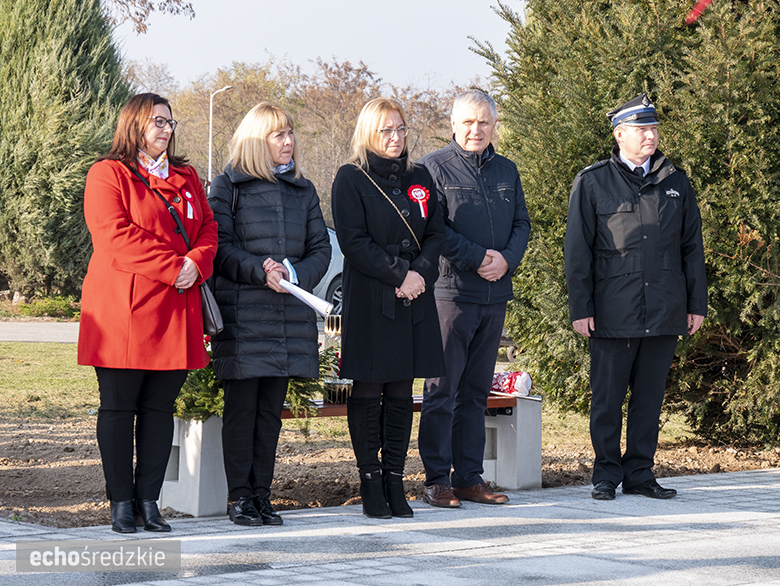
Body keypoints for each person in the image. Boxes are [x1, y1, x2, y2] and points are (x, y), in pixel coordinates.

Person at [78, 93, 219, 533]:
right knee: (119, 408)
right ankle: (121, 503)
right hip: (125, 310)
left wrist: (198, 260)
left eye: (170, 122)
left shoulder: (188, 176)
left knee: (160, 410)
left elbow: (210, 227)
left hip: (176, 310)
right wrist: (175, 265)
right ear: (133, 124)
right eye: (157, 121)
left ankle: (149, 502)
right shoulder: (108, 174)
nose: (166, 128)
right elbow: (114, 235)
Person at [564, 94, 707, 501]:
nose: (650, 135)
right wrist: (581, 307)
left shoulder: (675, 181)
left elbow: (691, 247)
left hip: (664, 308)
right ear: (620, 134)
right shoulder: (592, 181)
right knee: (607, 399)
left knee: (649, 398)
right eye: (642, 129)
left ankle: (641, 473)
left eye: (654, 128)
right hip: (613, 310)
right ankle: (606, 474)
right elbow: (577, 251)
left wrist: (696, 304)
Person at [208, 102, 331, 526]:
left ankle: (262, 494)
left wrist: (293, 273)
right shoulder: (228, 186)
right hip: (244, 317)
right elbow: (219, 247)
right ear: (258, 141)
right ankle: (239, 498)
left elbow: (321, 250)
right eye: (279, 134)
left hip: (288, 319)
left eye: (291, 133)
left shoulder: (304, 190)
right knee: (241, 411)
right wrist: (260, 269)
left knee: (269, 414)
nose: (289, 141)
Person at [332, 97, 446, 519]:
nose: (396, 138)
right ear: (368, 132)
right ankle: (370, 481)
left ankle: (395, 479)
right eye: (386, 130)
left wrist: (420, 274)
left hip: (414, 297)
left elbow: (436, 233)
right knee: (369, 386)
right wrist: (401, 275)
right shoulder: (351, 177)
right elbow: (354, 241)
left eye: (401, 129)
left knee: (401, 388)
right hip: (373, 298)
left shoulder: (421, 175)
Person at [418, 90, 531, 508]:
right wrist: (477, 256)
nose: (475, 130)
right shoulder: (432, 168)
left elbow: (522, 222)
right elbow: (434, 228)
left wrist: (506, 260)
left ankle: (469, 478)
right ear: (453, 124)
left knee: (476, 392)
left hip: (494, 294)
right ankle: (436, 479)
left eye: (483, 122)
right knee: (442, 389)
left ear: (494, 125)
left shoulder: (507, 170)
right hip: (451, 294)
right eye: (467, 122)